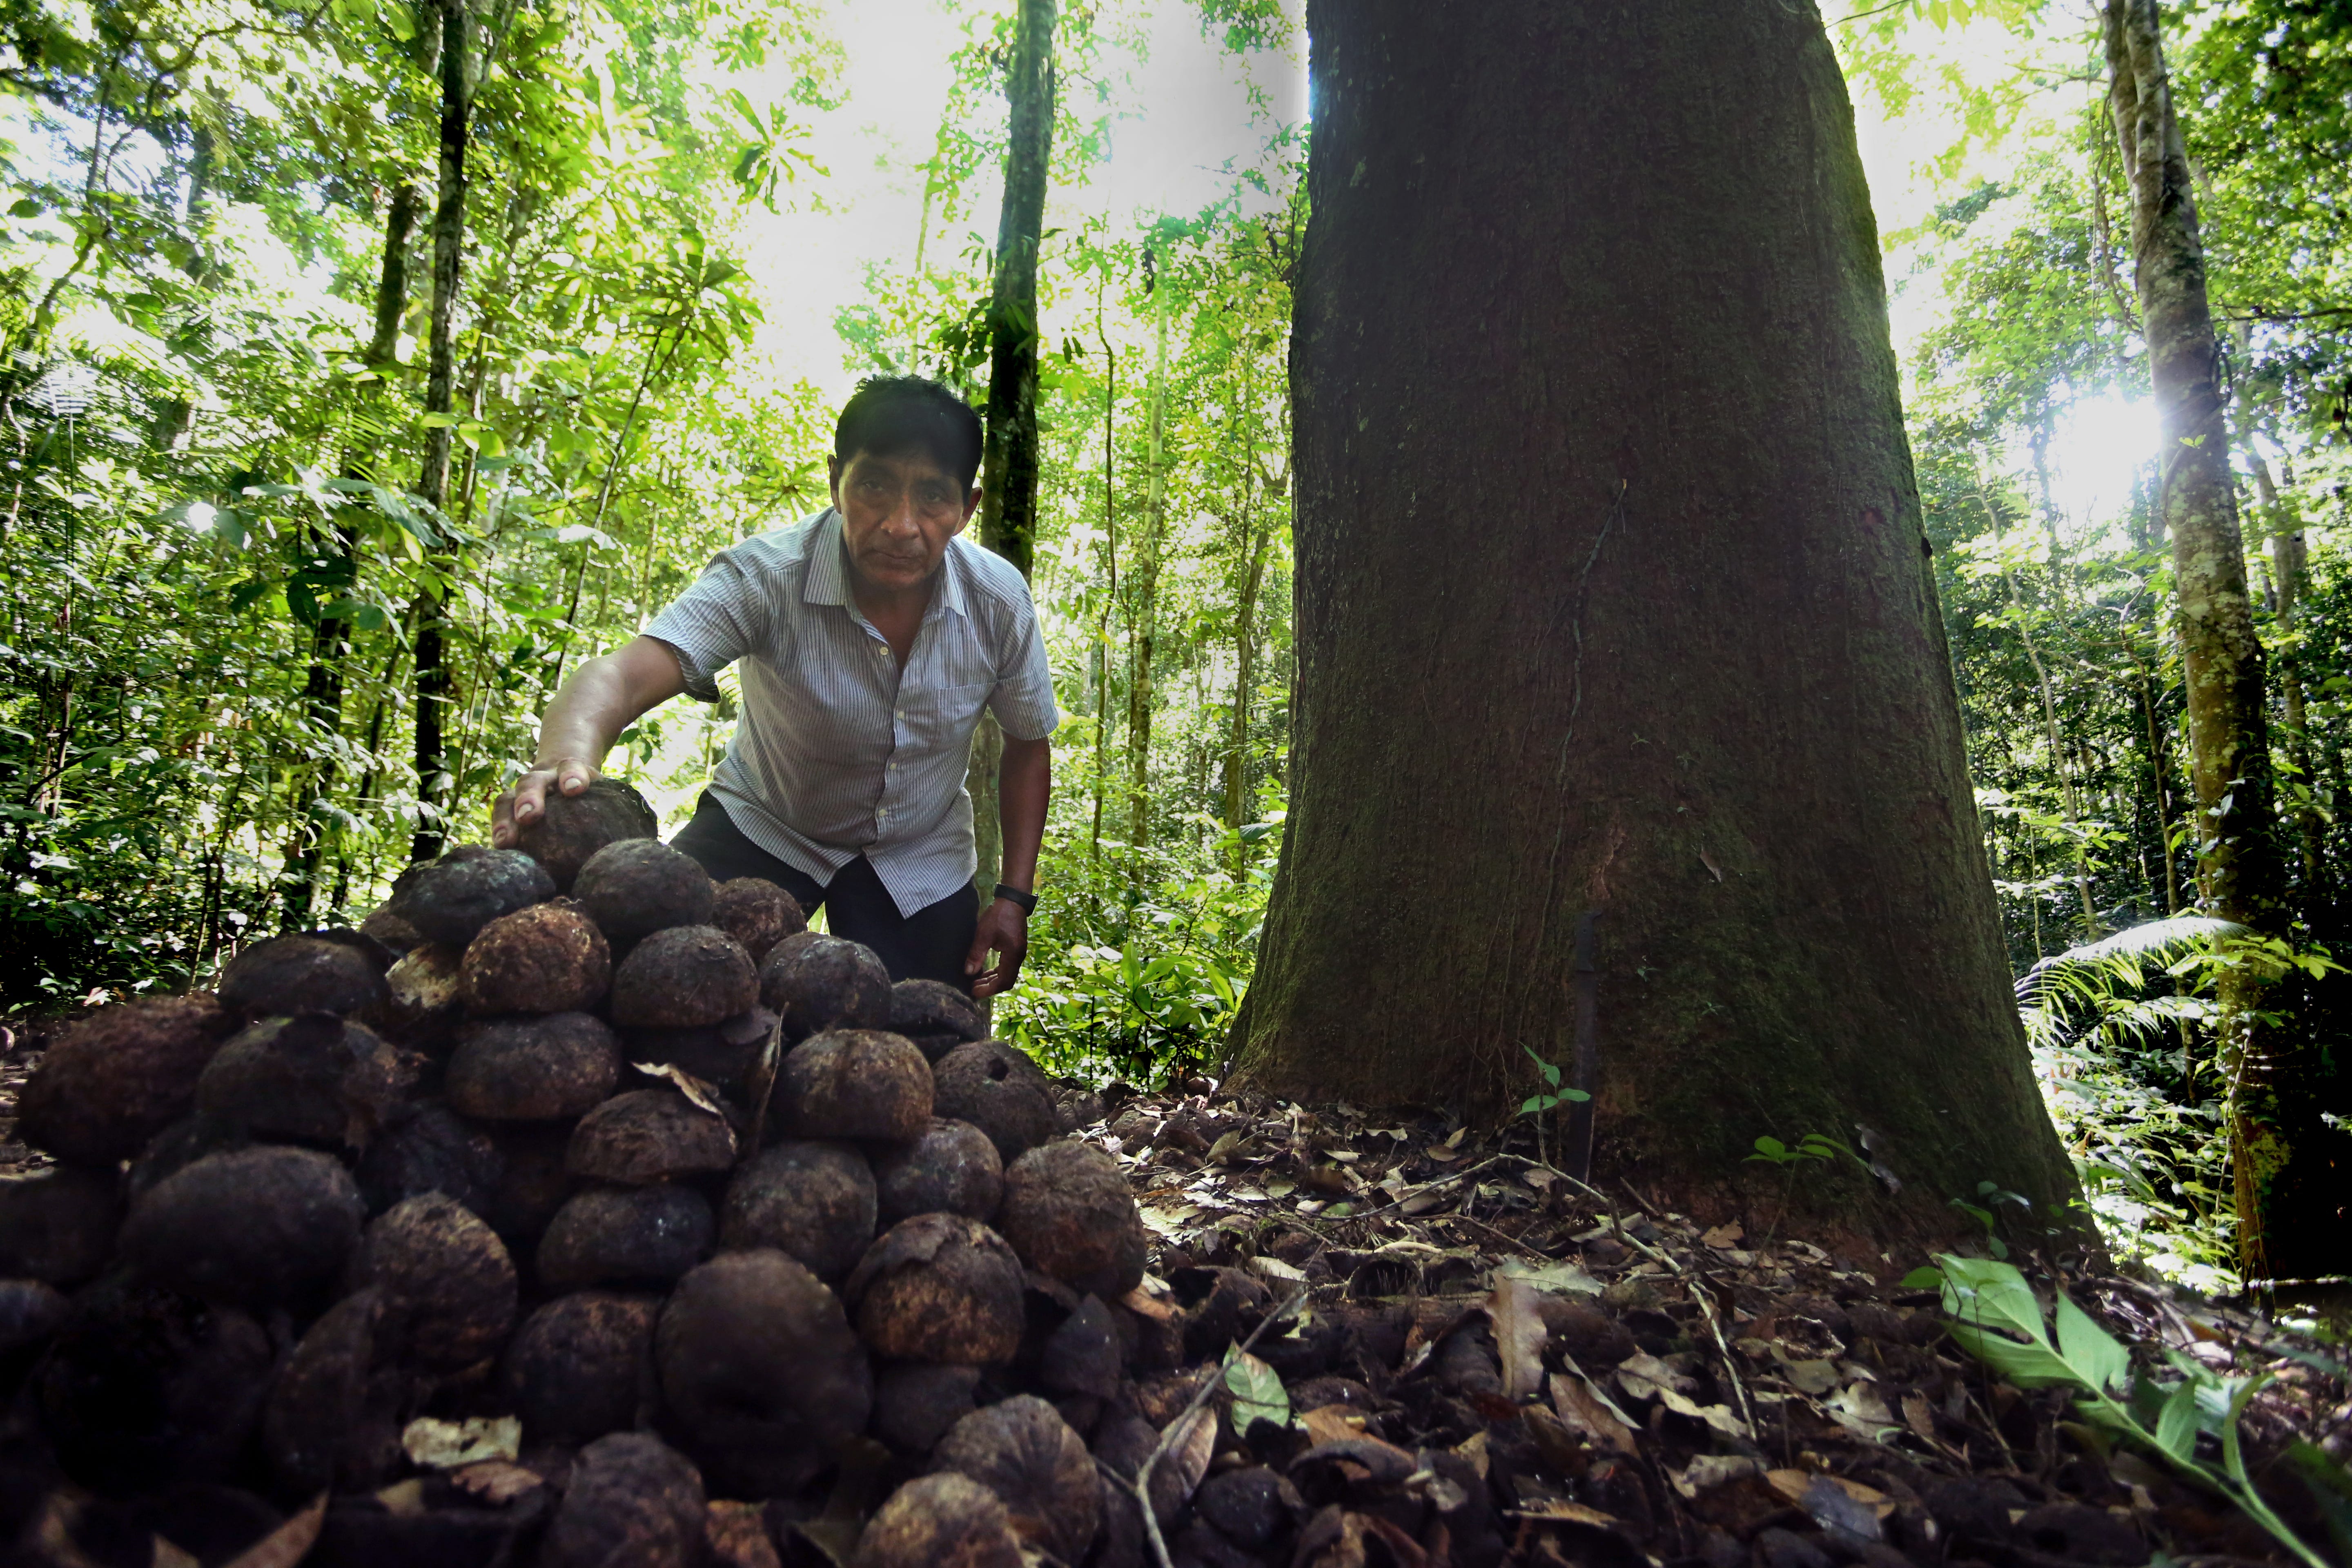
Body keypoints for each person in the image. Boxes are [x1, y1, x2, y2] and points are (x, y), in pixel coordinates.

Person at [490, 376, 1058, 998]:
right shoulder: (765, 577)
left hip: (920, 853)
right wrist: (565, 759)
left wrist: (1014, 897)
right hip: (766, 823)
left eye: (932, 497)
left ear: (967, 508)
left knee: (928, 1027)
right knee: (661, 981)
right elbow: (622, 675)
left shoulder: (997, 602)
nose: (901, 525)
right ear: (836, 482)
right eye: (874, 486)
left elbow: (1028, 746)